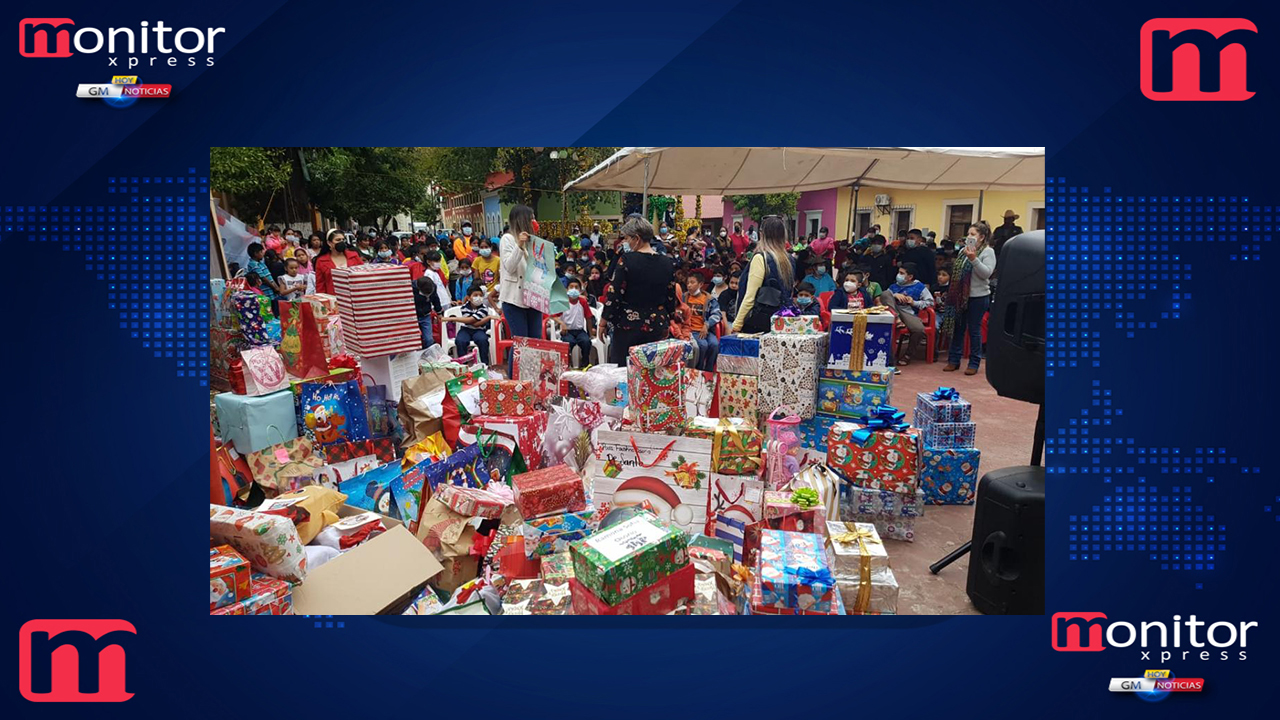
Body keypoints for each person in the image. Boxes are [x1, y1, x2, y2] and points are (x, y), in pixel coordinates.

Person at [601, 216, 678, 364]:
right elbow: (670, 296)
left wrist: (604, 321)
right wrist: (670, 319)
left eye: (628, 238)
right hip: (658, 325)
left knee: (625, 372)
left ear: (636, 238)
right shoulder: (667, 263)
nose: (626, 242)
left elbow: (615, 293)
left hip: (629, 327)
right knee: (654, 373)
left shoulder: (627, 260)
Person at [944, 220, 997, 375]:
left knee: (974, 330)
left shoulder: (988, 252)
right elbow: (957, 273)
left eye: (973, 234)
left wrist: (974, 259)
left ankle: (974, 362)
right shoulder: (963, 251)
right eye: (968, 234)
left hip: (978, 297)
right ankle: (953, 360)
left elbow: (986, 273)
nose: (969, 237)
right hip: (961, 297)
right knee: (958, 329)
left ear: (982, 237)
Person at [499, 205, 546, 368]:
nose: (534, 221)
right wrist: (519, 245)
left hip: (534, 298)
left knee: (535, 343)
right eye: (531, 217)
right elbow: (509, 267)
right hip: (514, 300)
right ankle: (515, 383)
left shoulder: (534, 242)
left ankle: (532, 380)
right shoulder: (508, 239)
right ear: (522, 220)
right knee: (521, 344)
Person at [732, 216, 795, 333]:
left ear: (762, 234)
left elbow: (750, 297)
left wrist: (737, 324)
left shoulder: (761, 258)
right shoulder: (789, 259)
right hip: (781, 321)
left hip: (758, 323)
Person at [880, 262, 934, 366]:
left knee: (919, 330)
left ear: (910, 277)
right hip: (894, 311)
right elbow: (885, 299)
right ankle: (897, 319)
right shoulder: (893, 286)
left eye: (902, 273)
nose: (898, 275)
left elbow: (930, 302)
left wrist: (914, 302)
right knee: (885, 293)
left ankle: (908, 355)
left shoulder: (920, 287)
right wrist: (894, 295)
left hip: (909, 313)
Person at [445, 285, 499, 364]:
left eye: (480, 295)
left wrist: (452, 319)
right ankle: (463, 365)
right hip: (465, 330)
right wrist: (488, 318)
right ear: (469, 298)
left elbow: (474, 323)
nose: (478, 297)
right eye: (475, 295)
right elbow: (470, 322)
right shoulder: (464, 307)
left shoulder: (484, 308)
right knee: (460, 341)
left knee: (483, 340)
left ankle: (485, 364)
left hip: (479, 330)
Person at [684, 275, 721, 371]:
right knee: (703, 345)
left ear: (700, 284)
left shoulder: (709, 299)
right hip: (691, 330)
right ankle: (699, 370)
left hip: (705, 329)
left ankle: (709, 370)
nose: (689, 285)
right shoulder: (684, 297)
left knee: (714, 344)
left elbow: (717, 314)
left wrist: (707, 325)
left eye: (692, 282)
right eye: (688, 283)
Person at [559, 278, 596, 368]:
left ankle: (585, 364)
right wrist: (562, 324)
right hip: (567, 331)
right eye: (571, 287)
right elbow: (554, 316)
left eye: (576, 287)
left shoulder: (582, 301)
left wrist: (590, 333)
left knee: (586, 342)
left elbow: (588, 317)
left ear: (580, 290)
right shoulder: (563, 302)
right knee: (569, 343)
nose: (574, 289)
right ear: (566, 289)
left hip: (580, 331)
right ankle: (567, 365)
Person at [413, 275, 443, 349]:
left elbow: (436, 299)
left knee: (429, 339)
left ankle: (428, 355)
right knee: (415, 340)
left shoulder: (433, 287)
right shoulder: (410, 289)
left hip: (426, 315)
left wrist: (439, 313)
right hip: (413, 316)